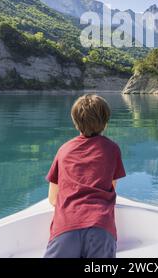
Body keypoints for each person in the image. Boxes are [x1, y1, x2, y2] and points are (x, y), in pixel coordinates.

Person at [44, 94, 126, 258]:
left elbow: (53, 198)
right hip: (101, 228)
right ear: (106, 122)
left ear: (75, 122)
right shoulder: (112, 149)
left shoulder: (64, 150)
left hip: (65, 228)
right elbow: (111, 188)